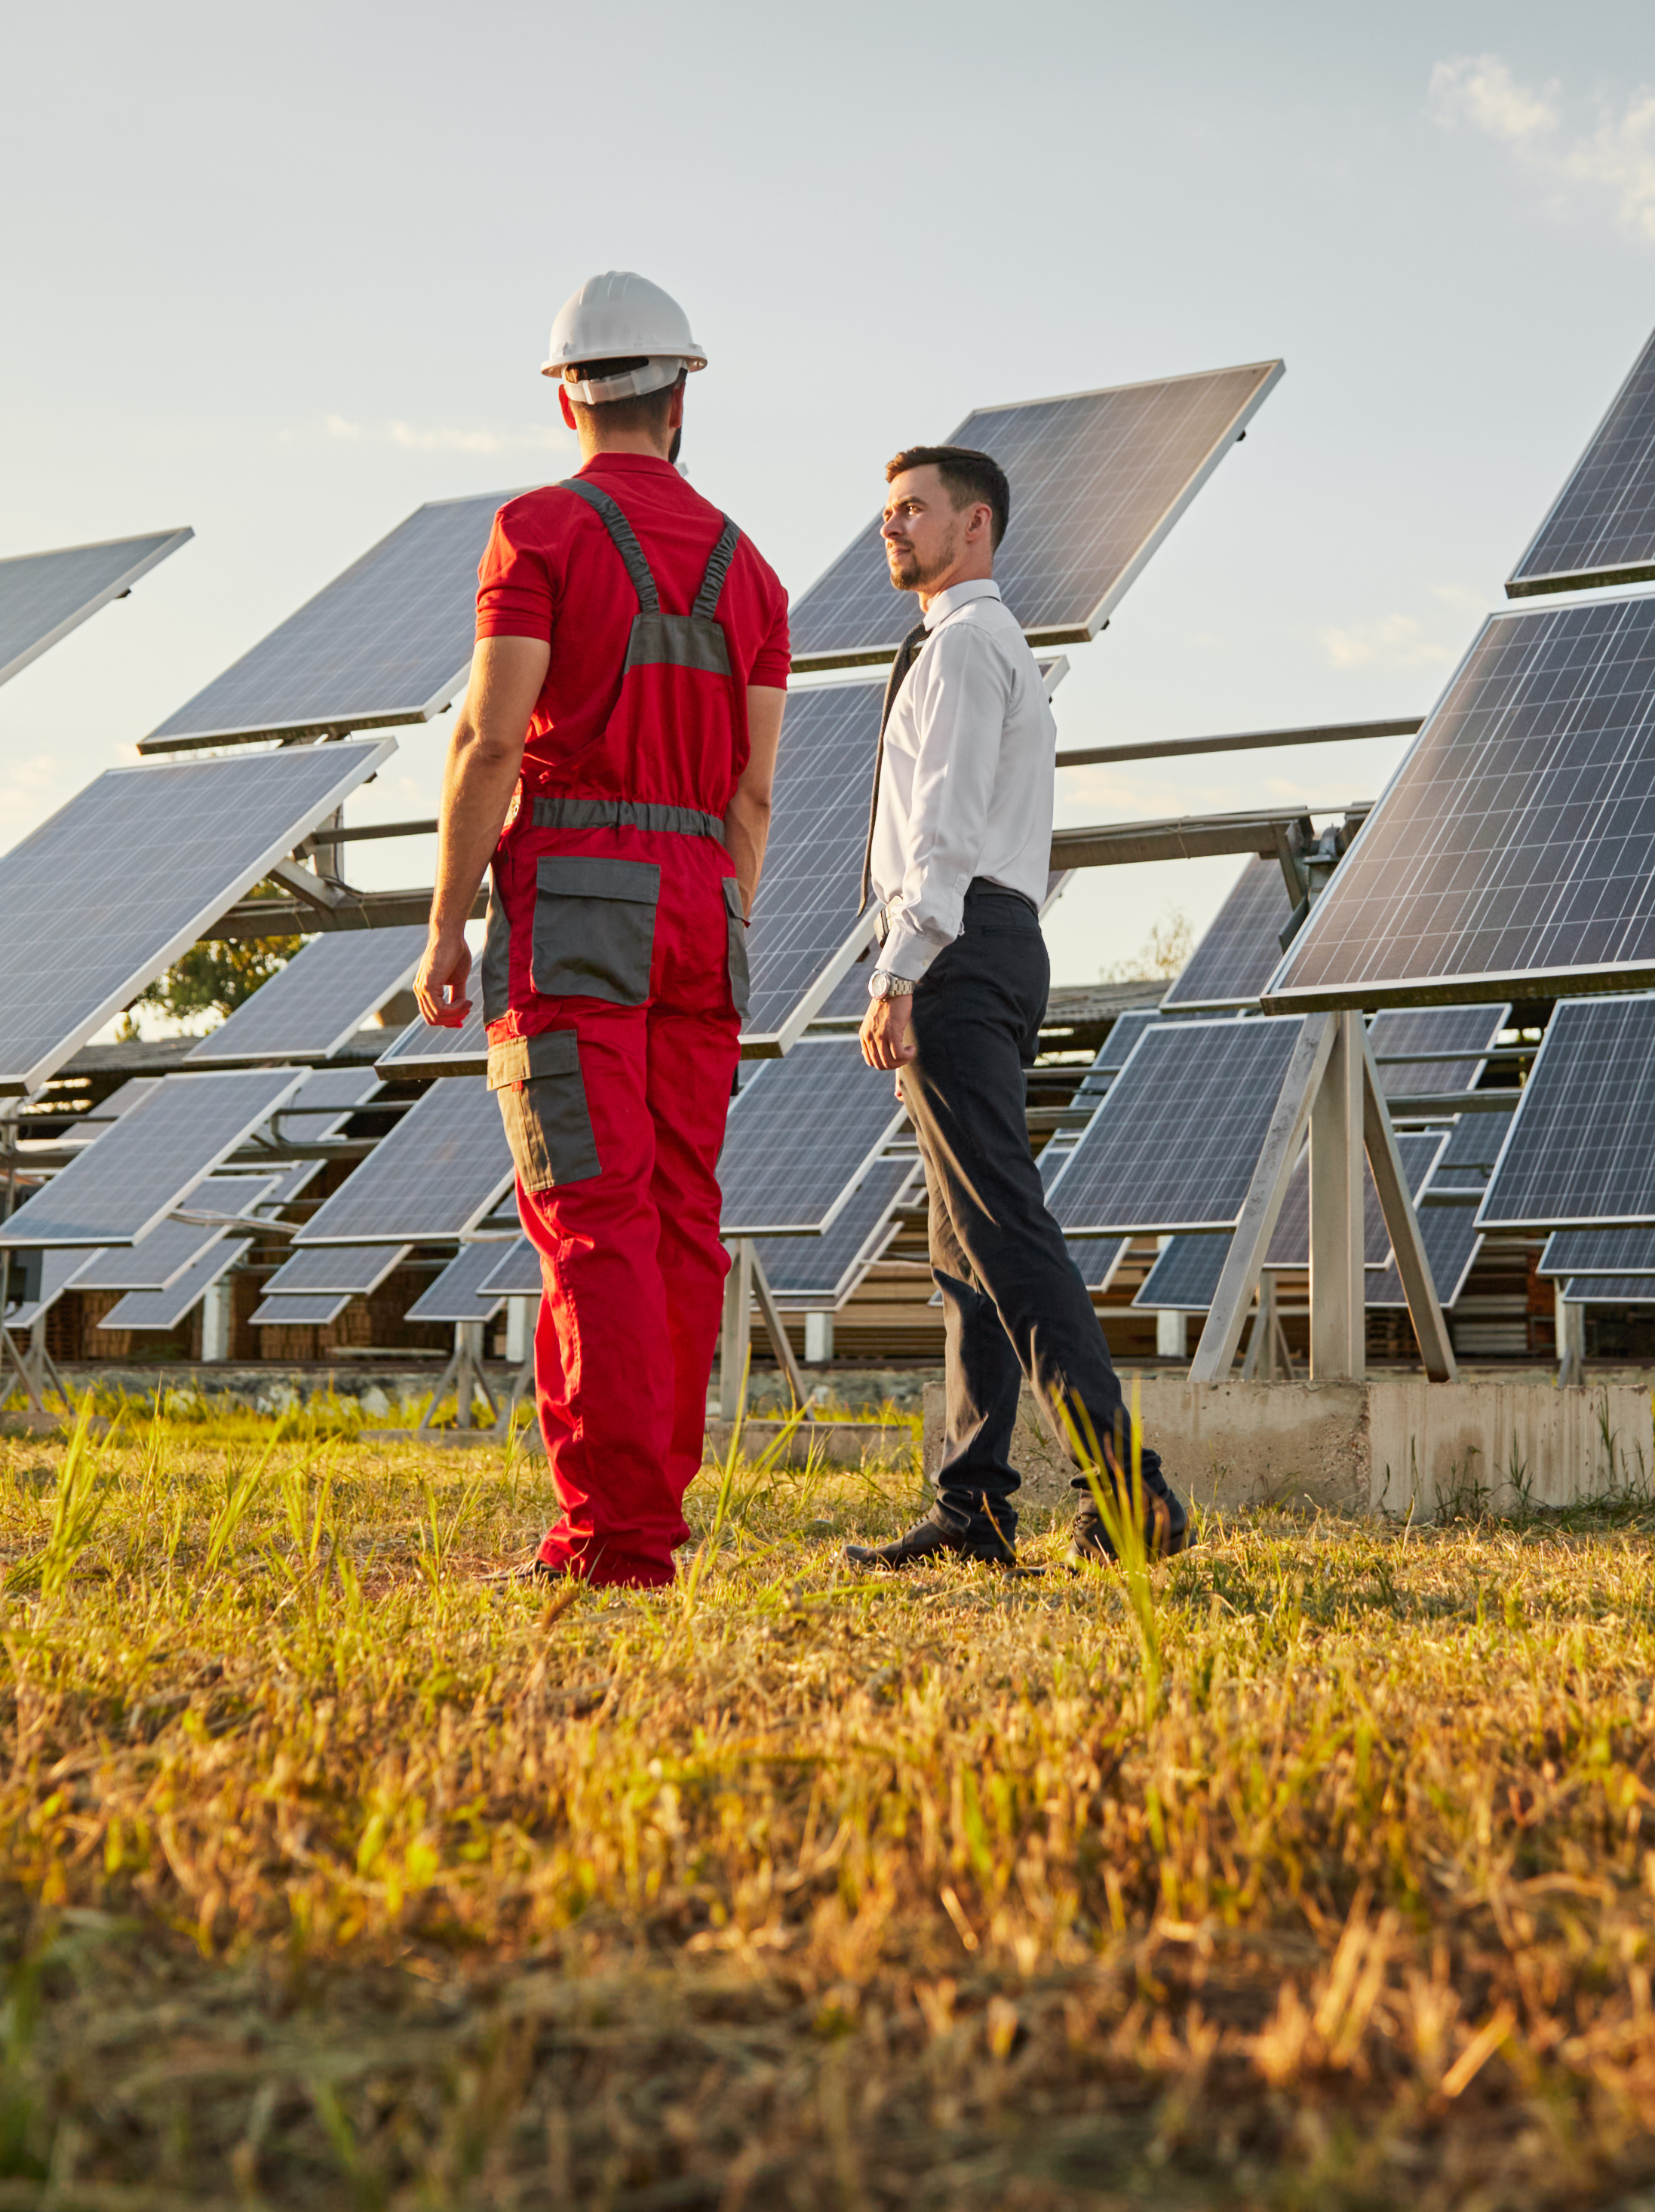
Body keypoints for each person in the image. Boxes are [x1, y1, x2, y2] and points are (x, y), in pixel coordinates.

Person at [421, 273, 788, 1588]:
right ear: (681, 392)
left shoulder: (536, 532)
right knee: (681, 1212)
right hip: (705, 898)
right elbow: (753, 793)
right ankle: (650, 1509)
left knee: (591, 1217)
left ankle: (616, 1537)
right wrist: (716, 903)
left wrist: (447, 923)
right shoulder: (753, 570)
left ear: (565, 395)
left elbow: (487, 740)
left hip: (576, 885)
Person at [841, 443, 1193, 1574]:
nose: (889, 530)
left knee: (1003, 1231)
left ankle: (1129, 1495)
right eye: (886, 513)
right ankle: (974, 1505)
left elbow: (939, 831)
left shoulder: (960, 650)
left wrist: (898, 969)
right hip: (993, 942)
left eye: (912, 511)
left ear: (974, 525)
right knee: (964, 1249)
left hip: (957, 946)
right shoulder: (993, 649)